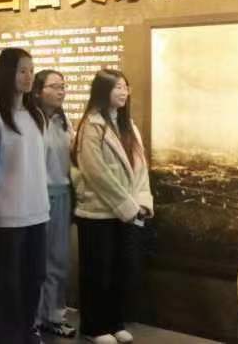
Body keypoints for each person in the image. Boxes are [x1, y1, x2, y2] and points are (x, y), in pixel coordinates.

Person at [72, 70, 153, 344]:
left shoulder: (129, 125)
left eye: (125, 87)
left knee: (120, 269)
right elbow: (96, 173)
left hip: (125, 212)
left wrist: (142, 201)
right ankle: (94, 327)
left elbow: (140, 168)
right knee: (98, 270)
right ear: (102, 90)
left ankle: (114, 322)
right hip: (98, 212)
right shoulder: (91, 126)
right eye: (117, 87)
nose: (123, 92)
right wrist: (128, 205)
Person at [0, 48, 49, 344]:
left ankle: (28, 332)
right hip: (6, 217)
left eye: (31, 70)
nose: (29, 76)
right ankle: (7, 338)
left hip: (37, 213)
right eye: (22, 70)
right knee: (8, 285)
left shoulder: (35, 116)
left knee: (34, 277)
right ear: (8, 74)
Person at [32, 70, 76, 339]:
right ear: (38, 91)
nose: (61, 91)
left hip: (62, 194)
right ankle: (33, 317)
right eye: (55, 86)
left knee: (58, 258)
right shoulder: (31, 120)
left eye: (63, 86)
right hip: (36, 196)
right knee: (36, 260)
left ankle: (54, 315)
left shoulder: (63, 121)